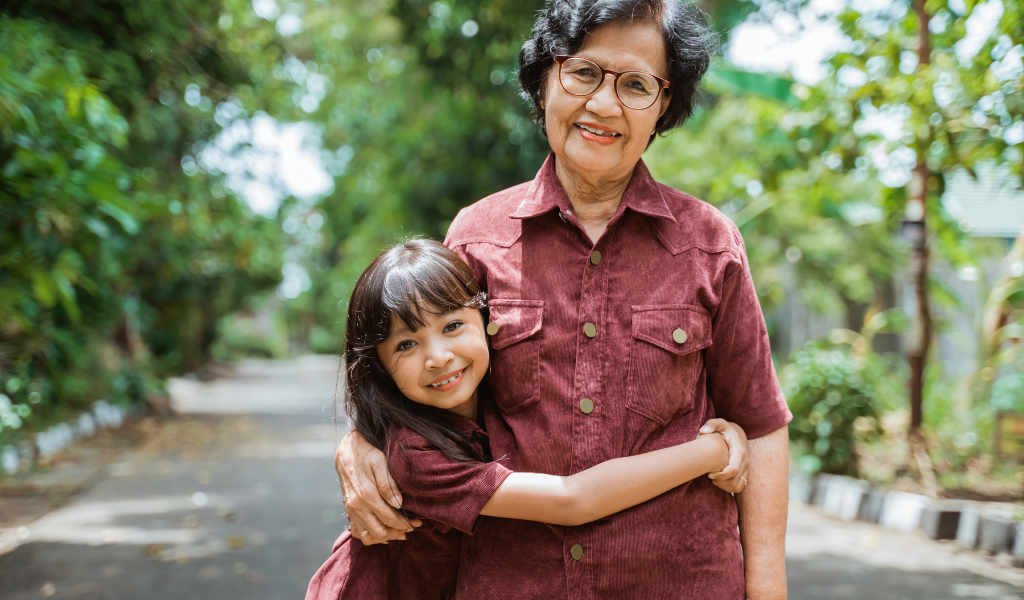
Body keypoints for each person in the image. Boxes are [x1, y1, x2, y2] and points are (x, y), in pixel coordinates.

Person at [335, 1, 793, 598]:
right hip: (512, 581)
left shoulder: (709, 243)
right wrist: (360, 444)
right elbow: (425, 379)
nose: (603, 104)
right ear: (545, 81)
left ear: (663, 107)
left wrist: (768, 590)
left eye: (635, 85)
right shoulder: (476, 235)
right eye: (583, 73)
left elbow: (759, 424)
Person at [307, 239, 747, 600]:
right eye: (406, 345)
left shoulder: (494, 399)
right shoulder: (415, 456)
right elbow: (572, 500)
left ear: (485, 321)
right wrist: (710, 450)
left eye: (452, 326)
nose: (438, 357)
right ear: (379, 366)